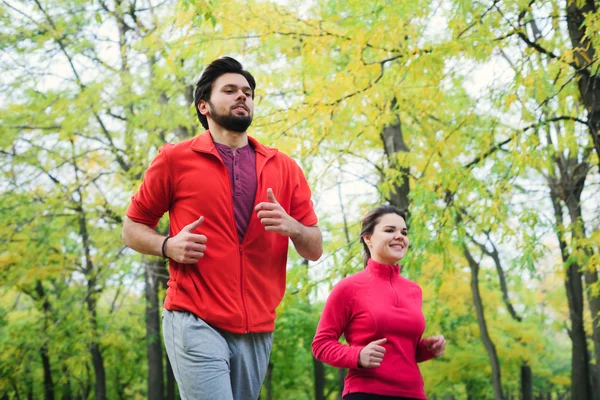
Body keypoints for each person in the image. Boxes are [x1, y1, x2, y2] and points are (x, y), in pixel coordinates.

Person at [122, 56, 322, 400]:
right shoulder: (174, 159)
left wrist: (293, 227)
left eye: (247, 91)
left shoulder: (285, 167)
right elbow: (132, 227)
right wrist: (167, 246)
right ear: (205, 106)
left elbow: (314, 248)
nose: (242, 96)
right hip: (193, 316)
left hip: (257, 325)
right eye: (229, 90)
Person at [312, 205, 445, 400]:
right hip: (366, 392)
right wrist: (357, 356)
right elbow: (321, 345)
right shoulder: (349, 287)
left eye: (404, 232)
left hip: (413, 393)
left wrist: (426, 349)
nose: (400, 236)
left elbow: (400, 351)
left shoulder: (414, 290)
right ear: (368, 238)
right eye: (390, 230)